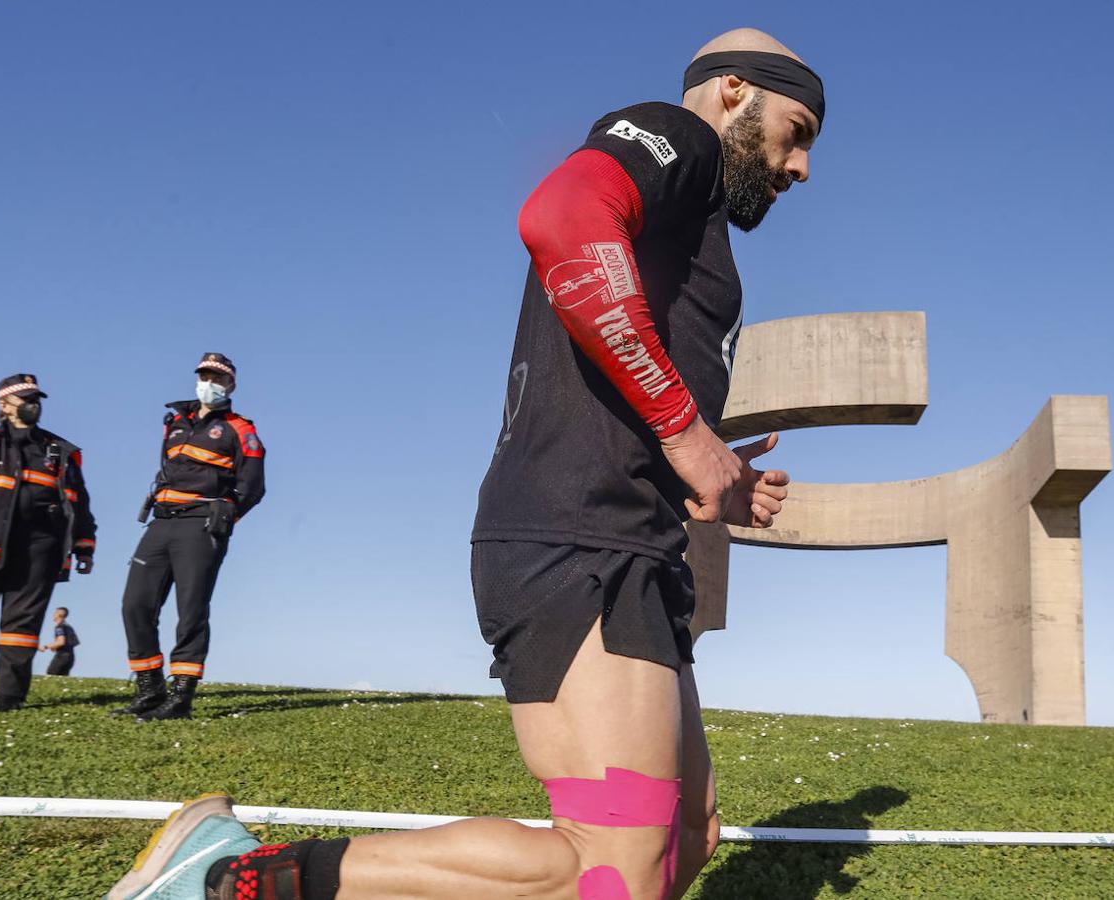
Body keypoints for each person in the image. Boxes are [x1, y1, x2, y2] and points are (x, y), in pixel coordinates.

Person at [109, 27, 816, 900]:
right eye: (801, 129)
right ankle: (227, 877)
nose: (802, 167)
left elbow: (615, 378)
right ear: (735, 90)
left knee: (682, 841)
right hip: (576, 537)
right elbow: (559, 220)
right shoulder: (679, 141)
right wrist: (684, 433)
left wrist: (703, 473)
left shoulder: (695, 207)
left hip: (633, 542)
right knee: (607, 869)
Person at [113, 352, 265, 721]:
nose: (209, 382)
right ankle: (149, 689)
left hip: (201, 524)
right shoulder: (175, 422)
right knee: (135, 603)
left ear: (230, 384)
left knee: (191, 610)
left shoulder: (241, 430)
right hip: (161, 520)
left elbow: (253, 485)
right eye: (204, 375)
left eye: (217, 377)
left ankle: (180, 696)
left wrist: (227, 513)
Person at [0, 375, 96, 713]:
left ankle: (7, 698)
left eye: (36, 398)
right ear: (3, 404)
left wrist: (85, 545)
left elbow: (79, 502)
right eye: (25, 398)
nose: (33, 404)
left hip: (37, 556)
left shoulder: (62, 452)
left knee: (21, 631)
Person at [42, 606, 79, 675]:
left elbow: (61, 642)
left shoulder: (59, 627)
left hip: (62, 656)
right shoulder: (68, 627)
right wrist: (54, 647)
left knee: (51, 673)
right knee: (62, 677)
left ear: (59, 614)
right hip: (70, 656)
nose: (53, 615)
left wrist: (45, 647)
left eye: (55, 613)